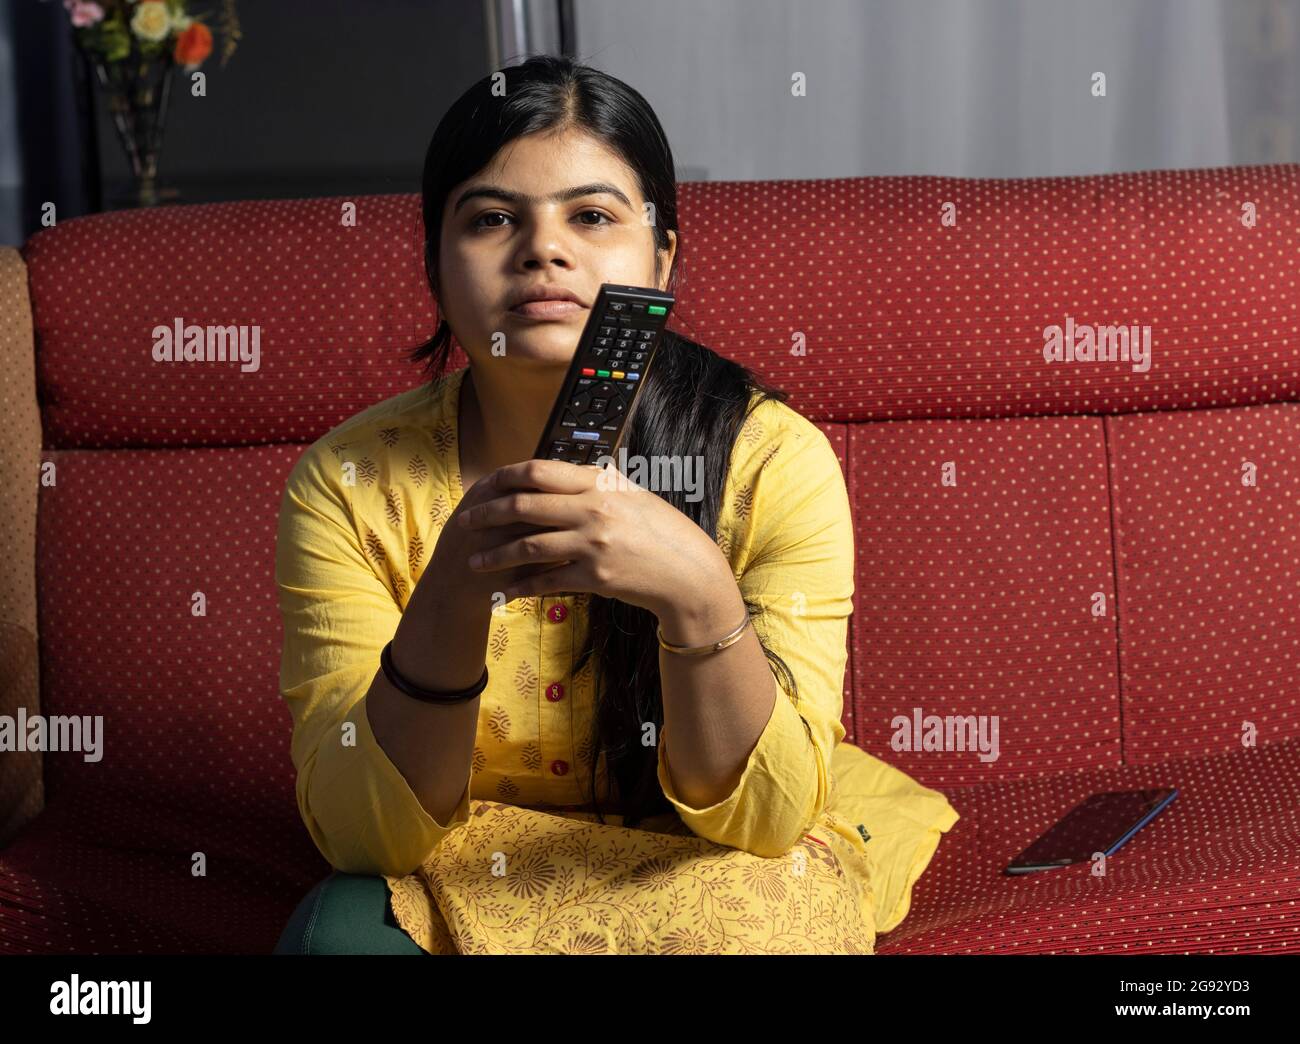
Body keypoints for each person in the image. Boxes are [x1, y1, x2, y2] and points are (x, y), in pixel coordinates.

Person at [273, 54, 958, 955]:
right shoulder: (347, 482)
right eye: (490, 220)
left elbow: (764, 821)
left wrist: (699, 595)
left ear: (661, 255)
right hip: (457, 859)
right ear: (437, 264)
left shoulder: (770, 461)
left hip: (710, 861)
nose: (543, 250)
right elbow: (366, 839)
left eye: (592, 216)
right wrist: (450, 593)